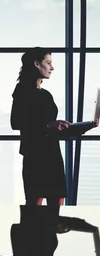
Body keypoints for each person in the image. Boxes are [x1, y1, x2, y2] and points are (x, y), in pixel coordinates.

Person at [10, 47, 98, 211]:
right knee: (33, 212)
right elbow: (15, 122)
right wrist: (46, 126)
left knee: (57, 213)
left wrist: (84, 126)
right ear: (37, 64)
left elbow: (51, 128)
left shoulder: (46, 94)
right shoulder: (22, 90)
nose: (52, 67)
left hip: (52, 156)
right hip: (34, 158)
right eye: (48, 63)